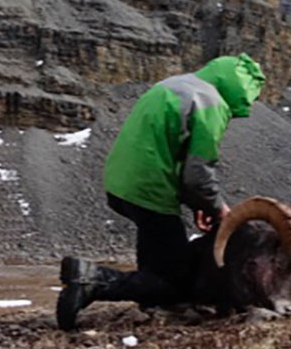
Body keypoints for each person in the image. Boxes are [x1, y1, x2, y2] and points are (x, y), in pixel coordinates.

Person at [56, 54, 267, 331]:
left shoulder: (176, 84)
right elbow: (197, 173)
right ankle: (93, 280)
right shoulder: (211, 103)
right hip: (151, 191)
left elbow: (171, 151)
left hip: (123, 183)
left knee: (159, 264)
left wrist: (197, 205)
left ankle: (151, 305)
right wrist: (219, 209)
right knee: (175, 282)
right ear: (242, 89)